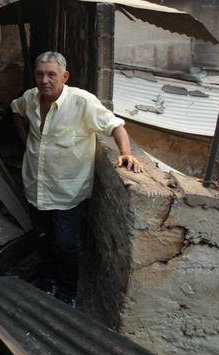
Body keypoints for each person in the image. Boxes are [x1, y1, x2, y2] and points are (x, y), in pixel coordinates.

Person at [11, 51, 144, 308]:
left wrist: (126, 153)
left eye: (51, 74)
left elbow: (116, 127)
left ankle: (68, 292)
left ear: (65, 76)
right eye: (39, 74)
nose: (44, 80)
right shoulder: (30, 98)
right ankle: (48, 282)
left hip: (67, 193)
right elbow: (14, 110)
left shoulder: (83, 102)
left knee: (65, 245)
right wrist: (24, 138)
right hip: (35, 186)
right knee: (42, 239)